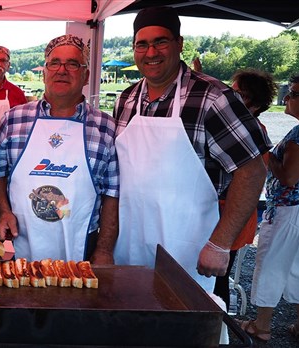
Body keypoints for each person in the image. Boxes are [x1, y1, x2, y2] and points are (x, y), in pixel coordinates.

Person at [106, 6, 269, 291]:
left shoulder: (213, 97)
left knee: (183, 330)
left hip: (189, 251)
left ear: (179, 44)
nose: (151, 52)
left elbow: (252, 170)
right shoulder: (127, 99)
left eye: (161, 41)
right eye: (141, 45)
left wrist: (221, 243)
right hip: (129, 246)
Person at [0, 34, 119, 262]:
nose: (62, 70)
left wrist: (104, 250)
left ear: (86, 75)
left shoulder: (106, 127)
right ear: (44, 73)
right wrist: (3, 211)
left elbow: (112, 194)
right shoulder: (13, 120)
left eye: (72, 64)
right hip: (19, 245)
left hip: (82, 250)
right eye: (54, 63)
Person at [237, 74, 299, 342]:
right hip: (295, 211)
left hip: (288, 209)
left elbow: (289, 177)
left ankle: (261, 325)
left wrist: (266, 155)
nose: (287, 98)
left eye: (294, 93)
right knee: (297, 267)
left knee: (271, 264)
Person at [214, 68, 277, 310]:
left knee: (218, 278)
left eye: (234, 92)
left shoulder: (251, 129)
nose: (228, 96)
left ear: (250, 100)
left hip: (232, 215)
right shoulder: (243, 124)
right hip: (224, 212)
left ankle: (219, 332)